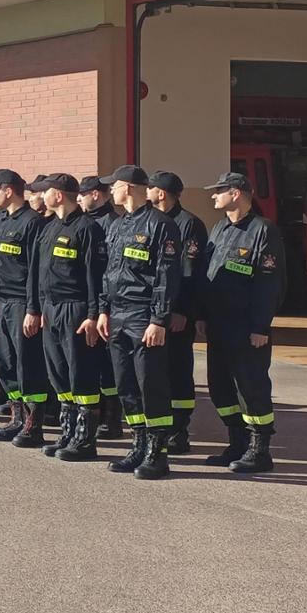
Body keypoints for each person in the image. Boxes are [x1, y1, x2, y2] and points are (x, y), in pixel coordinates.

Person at [96, 164, 182, 479]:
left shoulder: (161, 225)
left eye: (113, 186)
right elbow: (109, 272)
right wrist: (103, 309)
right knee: (126, 386)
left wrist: (158, 319)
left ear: (129, 187)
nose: (110, 192)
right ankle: (138, 445)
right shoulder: (117, 225)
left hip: (144, 315)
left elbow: (166, 276)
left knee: (151, 385)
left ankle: (158, 453)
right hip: (117, 315)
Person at [199, 172, 285, 473]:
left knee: (251, 388)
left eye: (219, 190)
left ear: (236, 193)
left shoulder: (263, 230)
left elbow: (269, 283)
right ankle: (236, 442)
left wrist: (260, 326)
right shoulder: (219, 228)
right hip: (218, 325)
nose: (213, 196)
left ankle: (259, 450)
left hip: (246, 328)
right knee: (220, 388)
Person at [28, 174, 106, 460]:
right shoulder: (48, 229)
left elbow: (95, 277)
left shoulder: (88, 229)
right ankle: (68, 433)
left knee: (80, 372)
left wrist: (93, 314)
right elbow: (38, 274)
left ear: (58, 195)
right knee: (59, 373)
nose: (40, 196)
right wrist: (35, 309)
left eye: (45, 191)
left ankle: (85, 440)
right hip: (51, 309)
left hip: (76, 310)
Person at [0, 169, 51, 444]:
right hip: (0, 301)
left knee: (27, 364)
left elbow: (36, 271)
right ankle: (16, 418)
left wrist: (33, 309)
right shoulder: (1, 221)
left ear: (8, 190)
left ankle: (34, 426)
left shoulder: (32, 223)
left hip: (22, 302)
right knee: (6, 364)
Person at [147, 171, 207, 453]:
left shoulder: (189, 224)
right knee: (158, 370)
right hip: (154, 312)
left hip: (178, 312)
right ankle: (161, 426)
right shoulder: (149, 221)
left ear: (162, 193)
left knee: (179, 369)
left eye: (151, 188)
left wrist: (183, 310)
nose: (147, 191)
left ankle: (179, 430)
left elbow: (189, 272)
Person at [78, 175, 125, 439]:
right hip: (87, 301)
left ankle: (112, 418)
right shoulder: (87, 222)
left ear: (96, 194)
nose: (80, 199)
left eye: (83, 194)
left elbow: (109, 269)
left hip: (105, 302)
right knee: (91, 363)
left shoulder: (112, 223)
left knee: (107, 364)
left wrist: (102, 308)